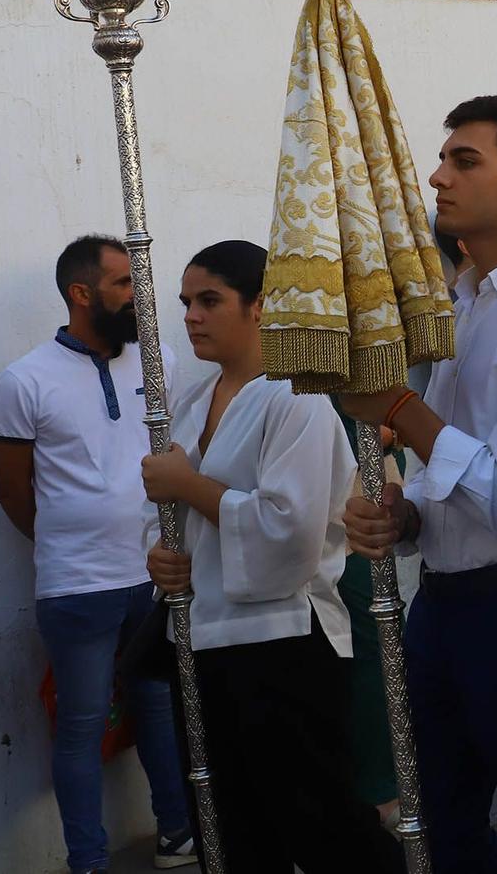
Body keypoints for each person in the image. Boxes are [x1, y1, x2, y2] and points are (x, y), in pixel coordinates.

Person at [337, 95, 497, 874]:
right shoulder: (461, 302)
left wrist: (399, 408)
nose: (437, 176)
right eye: (443, 159)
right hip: (442, 606)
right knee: (441, 828)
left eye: (464, 161)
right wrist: (404, 513)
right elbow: (446, 470)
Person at [138, 242, 401, 873]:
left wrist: (187, 488)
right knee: (233, 829)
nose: (192, 317)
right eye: (186, 303)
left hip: (286, 640)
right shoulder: (194, 403)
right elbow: (172, 517)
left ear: (260, 306)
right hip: (205, 637)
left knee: (320, 823)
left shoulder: (297, 397)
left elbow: (292, 529)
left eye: (210, 301)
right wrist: (164, 559)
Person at [0, 235, 194, 874]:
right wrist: (66, 542)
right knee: (80, 726)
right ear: (82, 294)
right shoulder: (24, 380)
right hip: (77, 585)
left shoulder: (152, 363)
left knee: (160, 710)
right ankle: (88, 861)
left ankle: (178, 835)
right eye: (124, 285)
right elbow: (11, 491)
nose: (140, 298)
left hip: (153, 574)